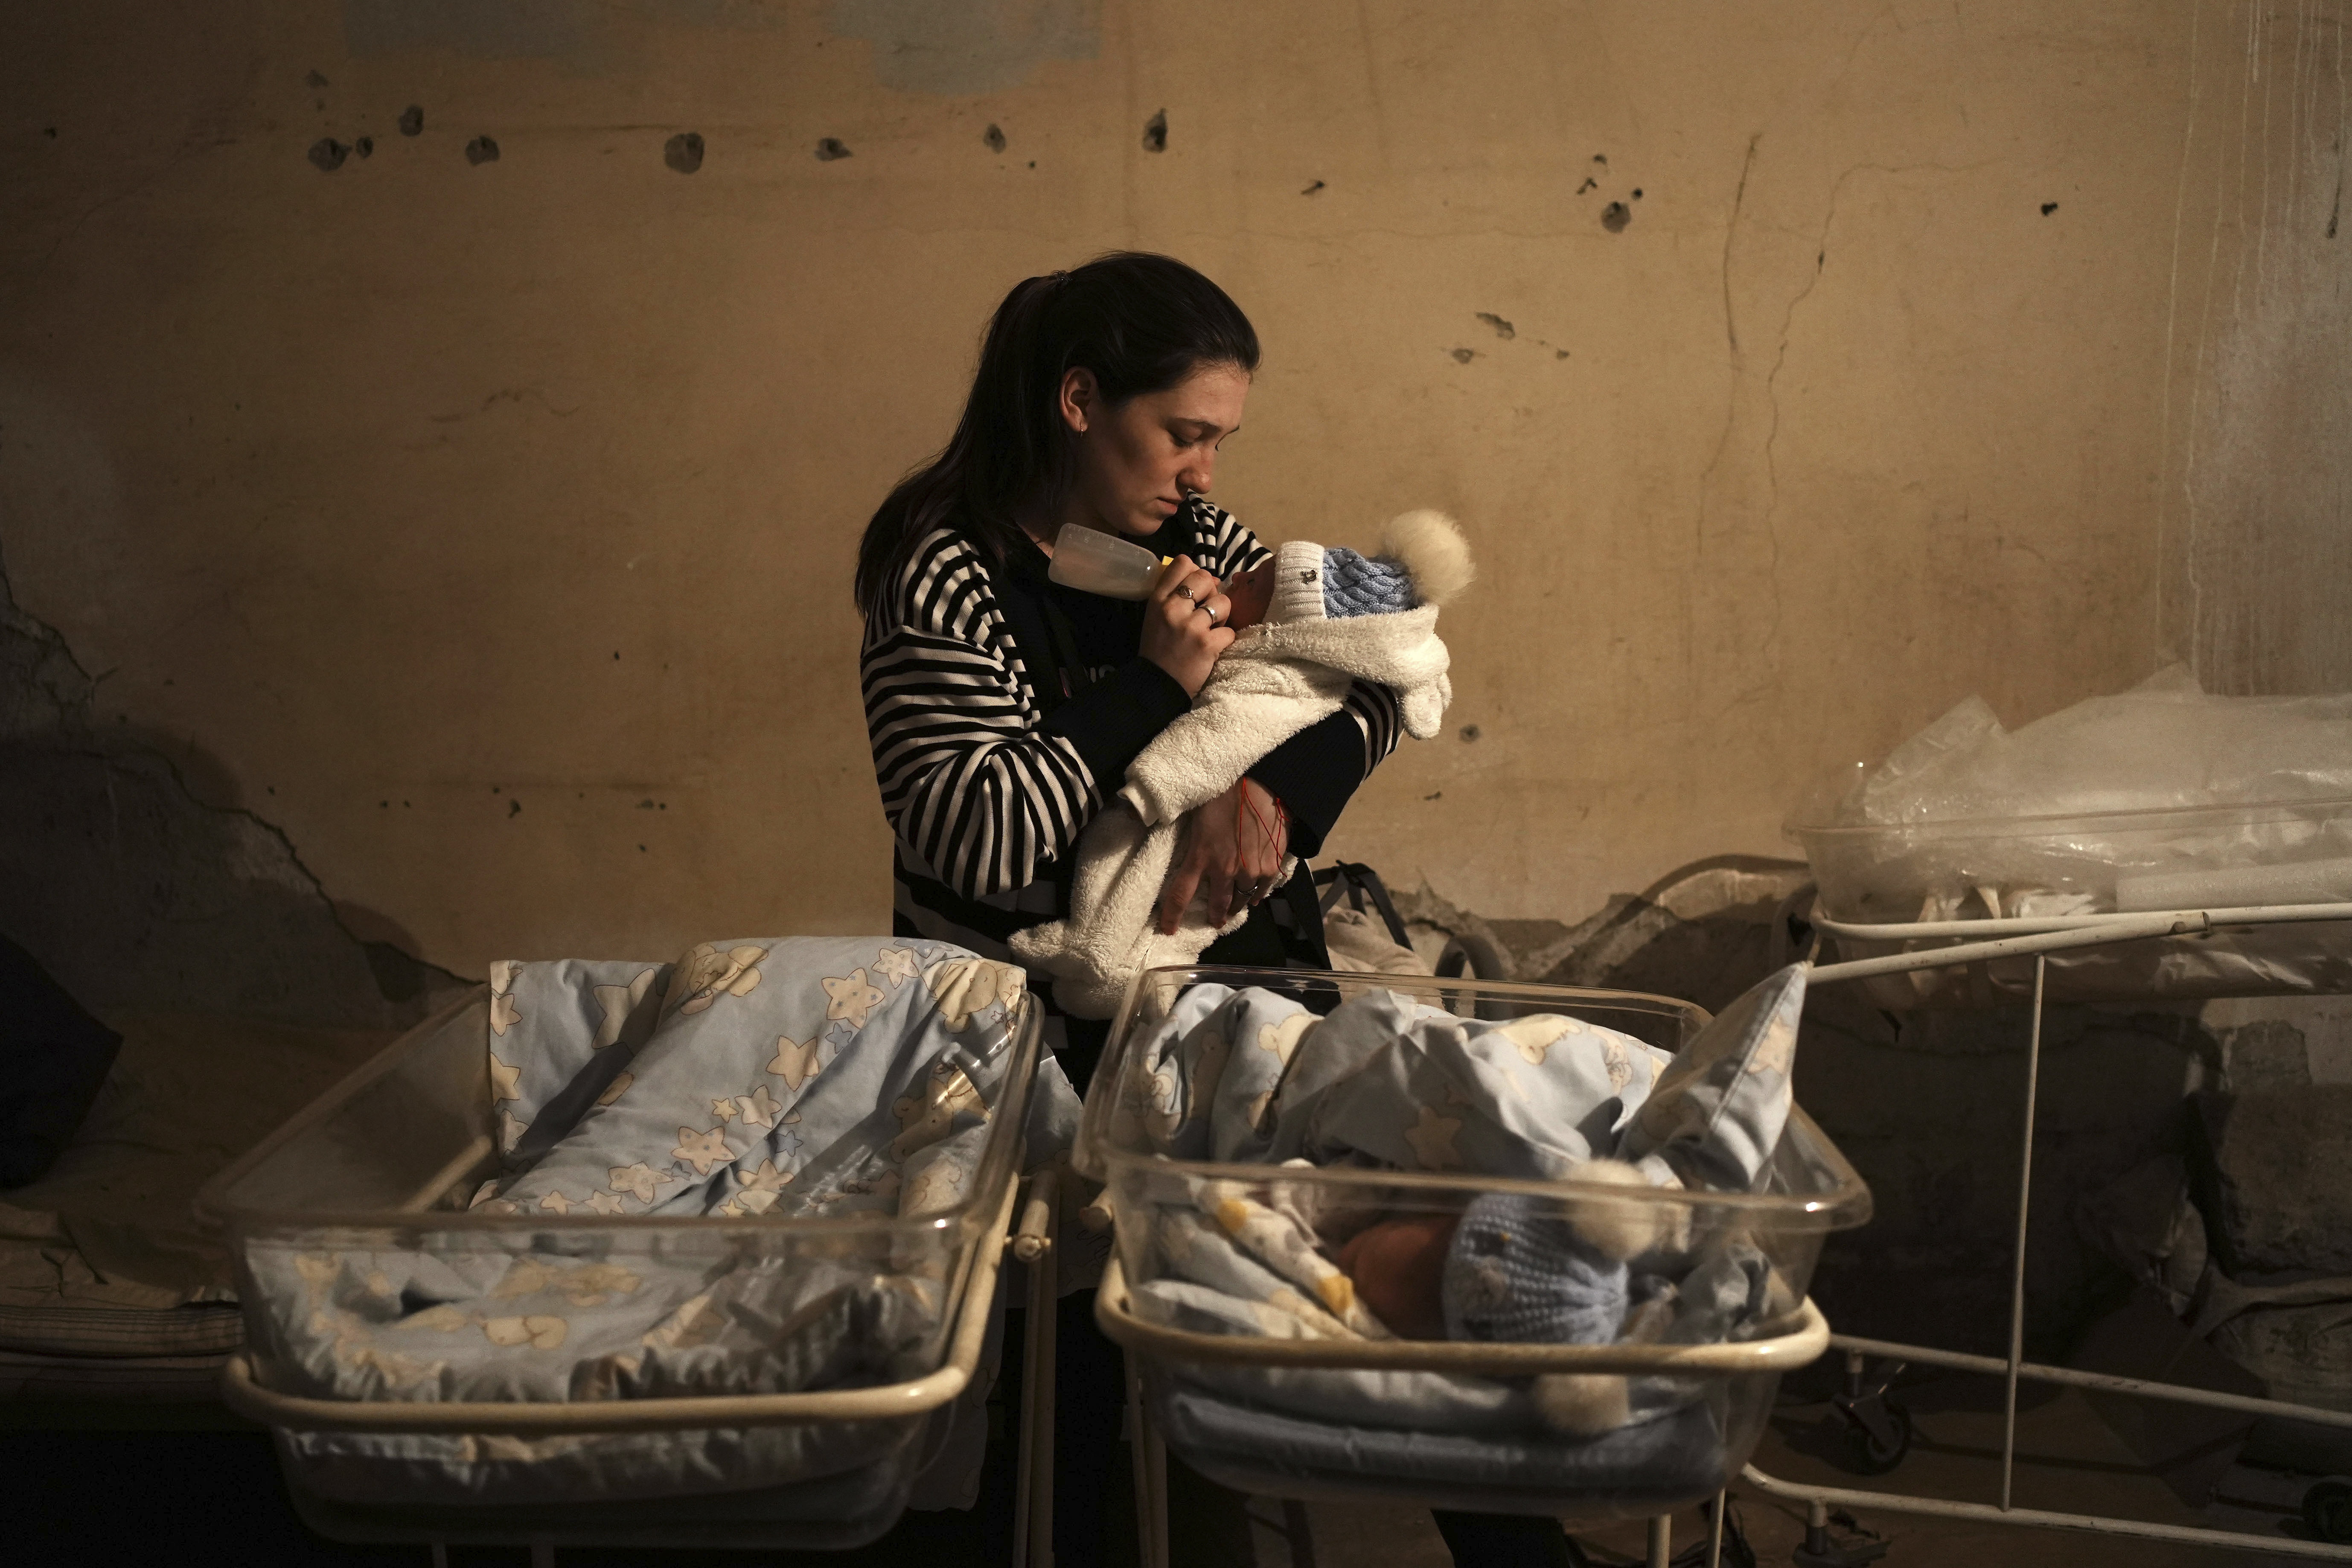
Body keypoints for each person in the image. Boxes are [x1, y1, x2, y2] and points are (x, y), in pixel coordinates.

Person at [855, 253, 1573, 1567]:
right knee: (1066, 1387)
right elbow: (985, 839)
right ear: (1079, 400)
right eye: (1184, 434)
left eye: (1222, 441)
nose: (1204, 474)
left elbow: (1364, 674)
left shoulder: (1192, 536)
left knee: (1415, 1235)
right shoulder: (941, 571)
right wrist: (1153, 690)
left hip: (1223, 989)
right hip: (1037, 1018)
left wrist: (1271, 802)